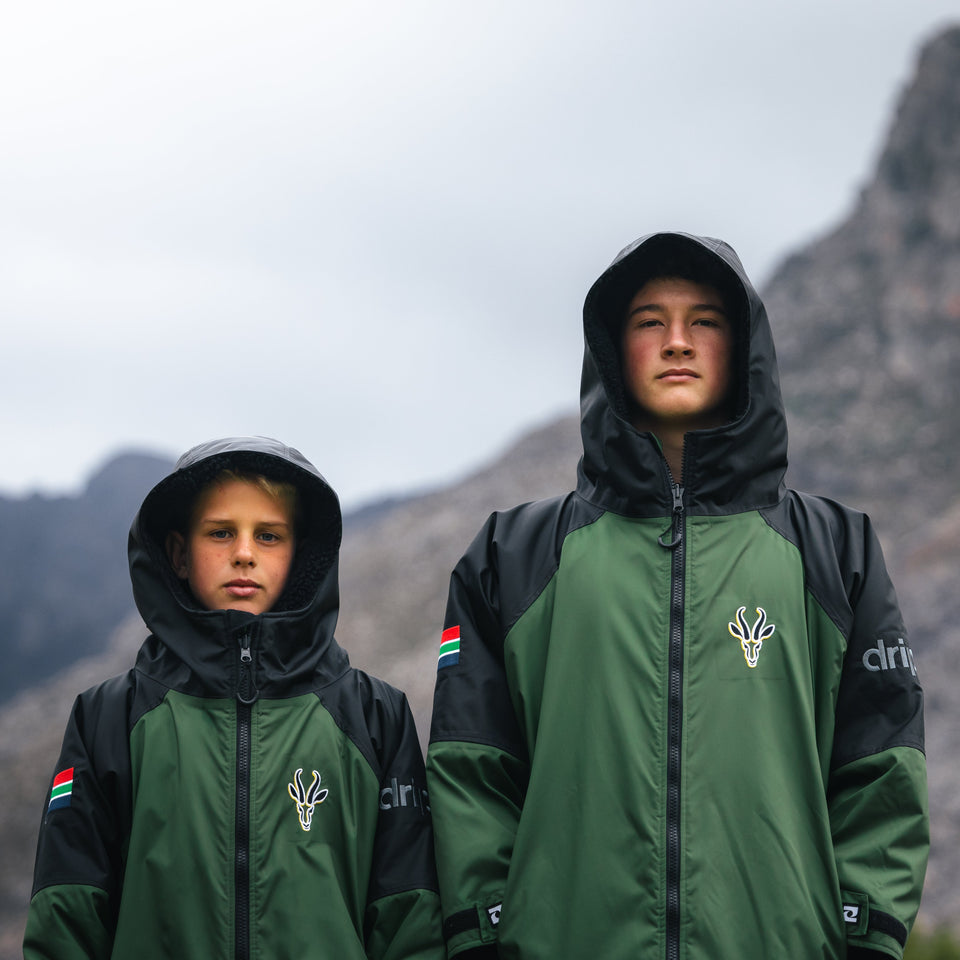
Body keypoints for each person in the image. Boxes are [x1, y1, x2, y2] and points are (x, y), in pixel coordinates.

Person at [426, 233, 928, 960]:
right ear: (612, 348)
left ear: (744, 347)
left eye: (706, 321)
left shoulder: (835, 552)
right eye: (649, 322)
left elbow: (881, 766)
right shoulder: (514, 557)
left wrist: (864, 931)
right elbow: (472, 768)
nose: (677, 342)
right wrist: (488, 930)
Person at [25, 436, 442, 960]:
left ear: (301, 557)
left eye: (269, 536)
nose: (244, 553)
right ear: (178, 553)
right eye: (221, 532)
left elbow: (410, 923)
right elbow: (66, 920)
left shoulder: (374, 716)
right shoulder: (108, 718)